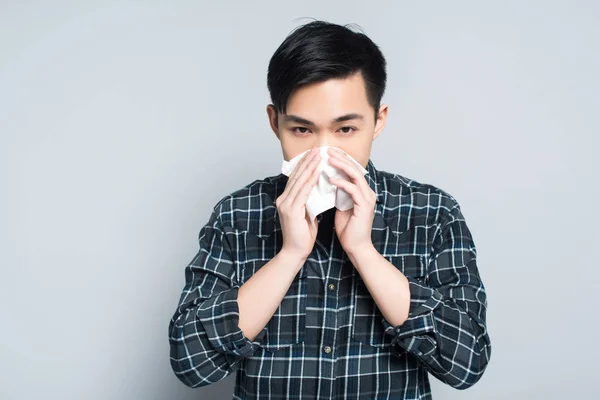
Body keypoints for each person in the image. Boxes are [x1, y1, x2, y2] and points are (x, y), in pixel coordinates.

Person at [168, 20, 491, 399]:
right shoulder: (238, 215)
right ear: (276, 123)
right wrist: (288, 256)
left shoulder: (432, 213)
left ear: (378, 121)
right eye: (302, 130)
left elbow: (466, 364)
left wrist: (364, 252)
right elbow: (191, 364)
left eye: (345, 130)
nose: (323, 155)